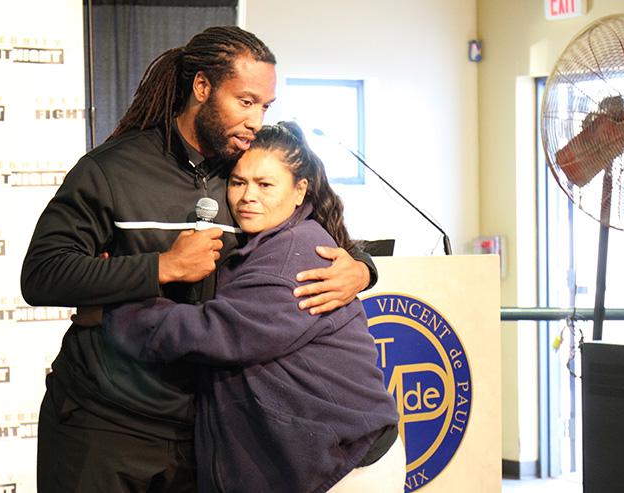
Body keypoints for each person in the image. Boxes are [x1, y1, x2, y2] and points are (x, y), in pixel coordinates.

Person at [20, 26, 377, 492]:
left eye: (265, 107)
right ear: (202, 88)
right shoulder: (112, 170)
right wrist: (162, 267)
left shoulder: (249, 173)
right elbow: (43, 275)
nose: (255, 120)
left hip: (206, 433)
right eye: (245, 101)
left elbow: (316, 225)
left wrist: (362, 268)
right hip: (104, 423)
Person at [104, 121, 405, 493]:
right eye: (238, 182)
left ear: (299, 192)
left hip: (346, 470)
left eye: (265, 185)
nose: (248, 196)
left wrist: (118, 303)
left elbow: (215, 333)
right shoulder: (272, 242)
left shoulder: (293, 255)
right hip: (324, 461)